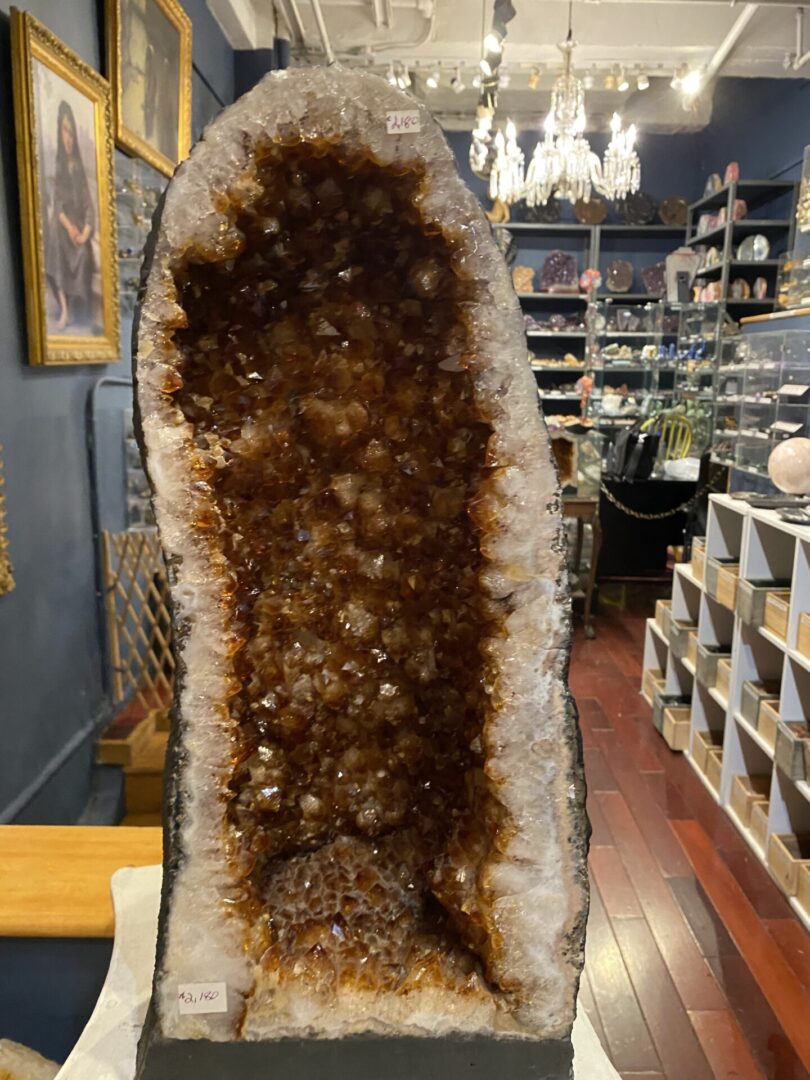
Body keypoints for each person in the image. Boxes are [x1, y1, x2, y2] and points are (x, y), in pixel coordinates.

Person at [46, 99, 94, 331]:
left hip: (78, 230)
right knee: (56, 243)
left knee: (83, 252)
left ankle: (75, 307)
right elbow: (57, 207)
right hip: (63, 226)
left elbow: (88, 207)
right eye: (65, 131)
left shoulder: (79, 171)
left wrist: (84, 232)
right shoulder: (59, 167)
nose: (68, 138)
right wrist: (69, 227)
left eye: (72, 132)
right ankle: (65, 310)